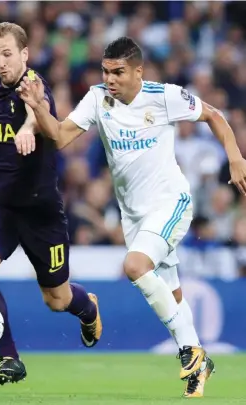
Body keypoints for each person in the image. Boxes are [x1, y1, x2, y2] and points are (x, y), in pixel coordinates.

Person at [16, 36, 246, 398]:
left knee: (135, 266)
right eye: (106, 71)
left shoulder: (164, 95)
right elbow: (59, 137)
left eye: (118, 72)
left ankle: (191, 352)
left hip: (170, 203)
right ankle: (200, 361)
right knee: (172, 294)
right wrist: (38, 110)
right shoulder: (97, 98)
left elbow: (214, 115)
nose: (110, 78)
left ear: (139, 72)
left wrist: (235, 157)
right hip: (134, 215)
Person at [0, 22, 102, 386]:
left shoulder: (34, 85)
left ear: (25, 54)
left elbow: (37, 108)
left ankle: (88, 307)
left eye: (8, 54)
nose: (1, 62)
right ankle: (10, 358)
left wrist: (30, 127)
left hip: (40, 211)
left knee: (57, 300)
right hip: (1, 204)